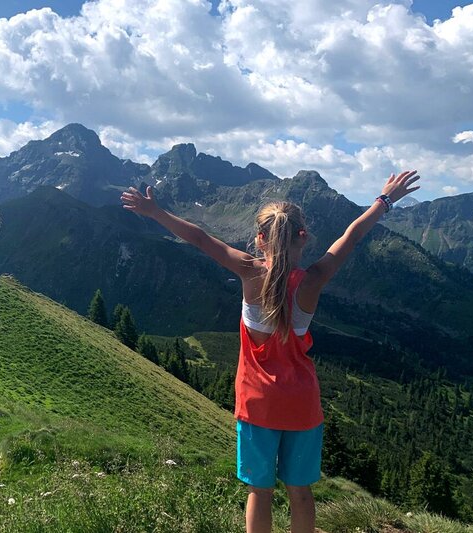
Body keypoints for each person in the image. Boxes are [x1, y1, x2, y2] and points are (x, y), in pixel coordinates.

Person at [119, 170, 421, 533]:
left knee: (259, 492)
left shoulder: (248, 271)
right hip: (302, 405)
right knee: (301, 492)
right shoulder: (314, 278)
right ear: (303, 238)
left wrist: (155, 213)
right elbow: (352, 235)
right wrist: (384, 200)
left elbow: (199, 239)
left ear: (259, 240)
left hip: (256, 403)